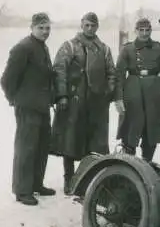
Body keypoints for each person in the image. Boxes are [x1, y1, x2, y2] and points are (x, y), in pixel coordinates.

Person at [50, 12, 116, 194]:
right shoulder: (70, 46)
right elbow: (59, 70)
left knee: (95, 144)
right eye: (86, 25)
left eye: (93, 26)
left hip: (96, 104)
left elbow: (112, 73)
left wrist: (107, 92)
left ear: (97, 27)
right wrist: (62, 95)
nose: (89, 29)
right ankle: (69, 179)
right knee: (70, 141)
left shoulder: (104, 49)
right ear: (81, 25)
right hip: (75, 102)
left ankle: (92, 181)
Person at [0, 12, 57, 206]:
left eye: (47, 28)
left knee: (41, 146)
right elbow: (7, 79)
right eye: (41, 28)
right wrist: (14, 99)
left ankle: (36, 184)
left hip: (42, 106)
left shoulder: (42, 48)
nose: (45, 31)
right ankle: (22, 191)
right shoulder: (22, 48)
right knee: (26, 148)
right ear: (32, 28)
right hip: (28, 107)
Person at [114, 17, 160, 162]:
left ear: (151, 31)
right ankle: (129, 164)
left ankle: (147, 163)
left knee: (151, 130)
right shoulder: (127, 49)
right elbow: (119, 75)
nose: (144, 34)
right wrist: (118, 98)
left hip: (154, 95)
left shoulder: (159, 48)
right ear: (136, 31)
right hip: (133, 93)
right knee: (131, 129)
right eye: (141, 30)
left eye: (147, 30)